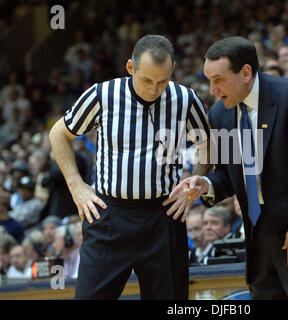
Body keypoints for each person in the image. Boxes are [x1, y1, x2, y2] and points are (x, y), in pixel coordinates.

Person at [167, 36, 288, 299]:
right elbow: (229, 176)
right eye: (209, 80)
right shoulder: (220, 114)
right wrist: (204, 184)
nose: (213, 89)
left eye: (219, 79)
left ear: (245, 73)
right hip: (259, 241)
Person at [49, 34, 210, 300]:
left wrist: (195, 180)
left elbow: (207, 144)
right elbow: (58, 134)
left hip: (165, 215)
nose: (153, 89)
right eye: (146, 80)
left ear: (172, 71)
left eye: (162, 81)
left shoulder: (185, 99)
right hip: (110, 214)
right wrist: (76, 185)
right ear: (130, 68)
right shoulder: (102, 94)